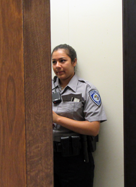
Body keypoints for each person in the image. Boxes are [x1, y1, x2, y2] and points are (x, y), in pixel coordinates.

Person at [51, 44, 107, 187]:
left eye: (62, 60)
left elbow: (94, 128)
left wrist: (58, 119)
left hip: (75, 160)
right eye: (54, 62)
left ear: (74, 62)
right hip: (46, 157)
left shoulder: (86, 89)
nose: (57, 66)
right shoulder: (43, 87)